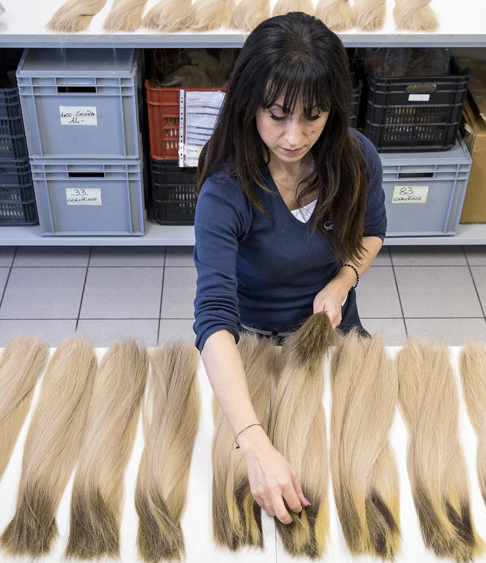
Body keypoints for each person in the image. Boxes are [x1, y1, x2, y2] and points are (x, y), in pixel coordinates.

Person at [192, 13, 387, 525]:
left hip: (330, 328)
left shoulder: (356, 159)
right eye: (276, 116)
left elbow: (370, 235)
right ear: (249, 104)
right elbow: (213, 319)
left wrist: (342, 283)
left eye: (313, 116)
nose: (294, 136)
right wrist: (253, 442)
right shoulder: (226, 190)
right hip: (250, 341)